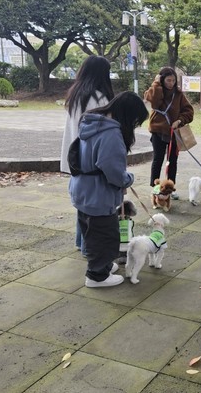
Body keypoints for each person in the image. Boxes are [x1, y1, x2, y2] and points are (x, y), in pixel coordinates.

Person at [69, 91, 149, 288]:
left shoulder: (91, 123)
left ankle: (102, 266)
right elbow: (112, 169)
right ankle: (96, 276)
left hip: (82, 188)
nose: (135, 125)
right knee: (105, 235)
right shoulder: (111, 133)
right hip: (98, 193)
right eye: (135, 120)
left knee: (90, 231)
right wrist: (127, 179)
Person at [60, 55, 115, 255]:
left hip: (75, 157)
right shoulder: (100, 98)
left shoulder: (76, 94)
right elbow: (105, 134)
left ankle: (80, 242)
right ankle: (89, 250)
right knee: (94, 208)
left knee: (82, 204)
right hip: (92, 160)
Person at [144, 67, 194, 200]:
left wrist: (179, 120)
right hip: (158, 131)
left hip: (173, 132)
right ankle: (155, 189)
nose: (171, 83)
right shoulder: (156, 90)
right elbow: (153, 101)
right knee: (158, 159)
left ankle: (170, 189)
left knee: (172, 161)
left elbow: (189, 111)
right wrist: (156, 83)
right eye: (168, 80)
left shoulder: (178, 94)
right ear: (162, 79)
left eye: (173, 80)